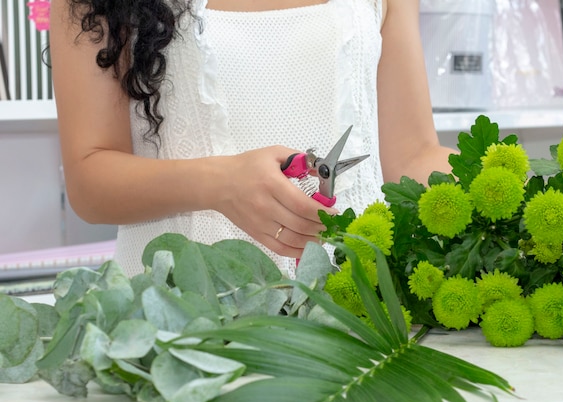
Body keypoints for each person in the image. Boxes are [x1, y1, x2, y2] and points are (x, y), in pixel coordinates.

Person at [49, 0, 456, 276]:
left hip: (361, 318)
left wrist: (507, 185)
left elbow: (411, 158)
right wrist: (221, 183)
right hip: (180, 324)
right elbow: (89, 178)